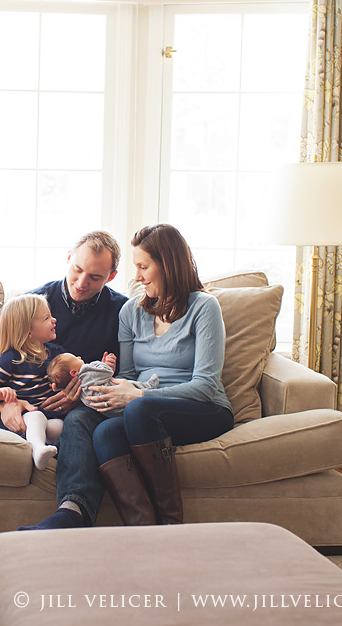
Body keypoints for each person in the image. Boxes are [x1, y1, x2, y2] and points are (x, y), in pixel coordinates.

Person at [0, 230, 128, 530]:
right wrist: (5, 402)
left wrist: (80, 392)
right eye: (77, 270)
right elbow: (2, 365)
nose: (81, 283)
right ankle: (35, 434)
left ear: (112, 276)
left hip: (80, 406)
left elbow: (125, 375)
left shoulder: (121, 311)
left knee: (78, 423)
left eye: (95, 277)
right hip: (26, 403)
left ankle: (72, 511)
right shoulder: (36, 302)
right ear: (68, 259)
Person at [85, 223, 234, 526]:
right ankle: (143, 529)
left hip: (204, 409)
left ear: (168, 264)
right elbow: (128, 375)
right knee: (104, 433)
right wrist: (111, 391)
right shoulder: (130, 313)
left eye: (143, 266)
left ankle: (170, 525)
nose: (137, 276)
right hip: (145, 411)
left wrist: (139, 395)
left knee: (140, 409)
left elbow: (205, 386)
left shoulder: (204, 308)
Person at [0, 294, 66, 470]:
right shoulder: (11, 359)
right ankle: (38, 450)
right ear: (29, 331)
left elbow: (76, 371)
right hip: (29, 417)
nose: (54, 320)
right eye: (47, 318)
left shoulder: (57, 353)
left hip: (52, 420)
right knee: (36, 417)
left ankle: (47, 449)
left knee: (62, 426)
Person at [47, 352, 159, 417]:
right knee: (128, 384)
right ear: (74, 373)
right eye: (76, 358)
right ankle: (148, 386)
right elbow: (108, 372)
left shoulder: (81, 390)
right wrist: (104, 364)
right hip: (117, 396)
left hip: (108, 412)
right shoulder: (86, 371)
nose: (80, 357)